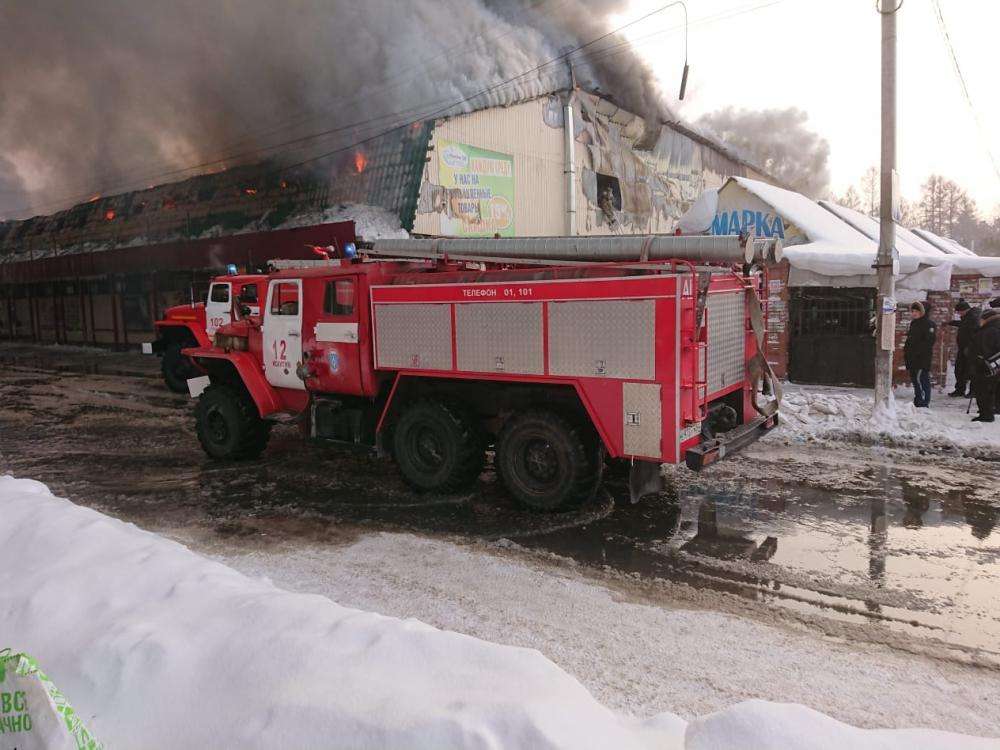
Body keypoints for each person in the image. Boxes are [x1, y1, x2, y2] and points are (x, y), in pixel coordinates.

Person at [903, 301, 936, 407]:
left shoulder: (929, 324)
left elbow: (928, 342)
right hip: (912, 358)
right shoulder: (914, 323)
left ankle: (923, 401)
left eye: (916, 311)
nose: (914, 313)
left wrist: (917, 353)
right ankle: (918, 399)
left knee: (921, 379)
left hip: (921, 358)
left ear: (923, 311)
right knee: (915, 380)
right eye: (912, 311)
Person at [947, 299, 981, 397]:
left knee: (971, 371)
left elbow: (974, 334)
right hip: (963, 349)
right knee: (959, 369)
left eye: (959, 311)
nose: (958, 313)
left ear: (964, 310)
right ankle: (960, 390)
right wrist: (952, 322)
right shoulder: (967, 317)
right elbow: (963, 325)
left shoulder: (973, 318)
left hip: (971, 349)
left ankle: (973, 391)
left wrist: (970, 347)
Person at [971, 308, 1000, 422]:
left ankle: (986, 414)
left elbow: (988, 348)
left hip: (986, 365)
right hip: (984, 364)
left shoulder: (992, 330)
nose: (980, 321)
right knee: (984, 390)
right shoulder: (988, 329)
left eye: (981, 319)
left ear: (986, 319)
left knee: (983, 390)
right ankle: (985, 412)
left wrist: (985, 361)